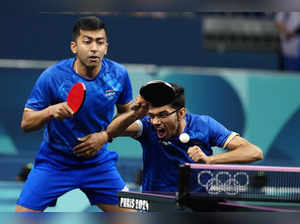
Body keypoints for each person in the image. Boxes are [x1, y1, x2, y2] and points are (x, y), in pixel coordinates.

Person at [16, 16, 134, 212]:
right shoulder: (52, 77)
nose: (94, 48)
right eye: (87, 41)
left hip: (98, 163)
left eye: (100, 42)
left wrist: (104, 136)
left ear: (106, 47)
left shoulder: (119, 75)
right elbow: (26, 123)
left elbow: (127, 119)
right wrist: (50, 111)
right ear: (74, 47)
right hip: (55, 162)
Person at [102, 81, 263, 192]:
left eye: (163, 115)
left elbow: (254, 152)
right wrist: (134, 114)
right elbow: (110, 131)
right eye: (152, 115)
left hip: (197, 206)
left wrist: (210, 160)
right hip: (157, 206)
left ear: (181, 113)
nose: (156, 121)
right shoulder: (147, 126)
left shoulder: (204, 125)